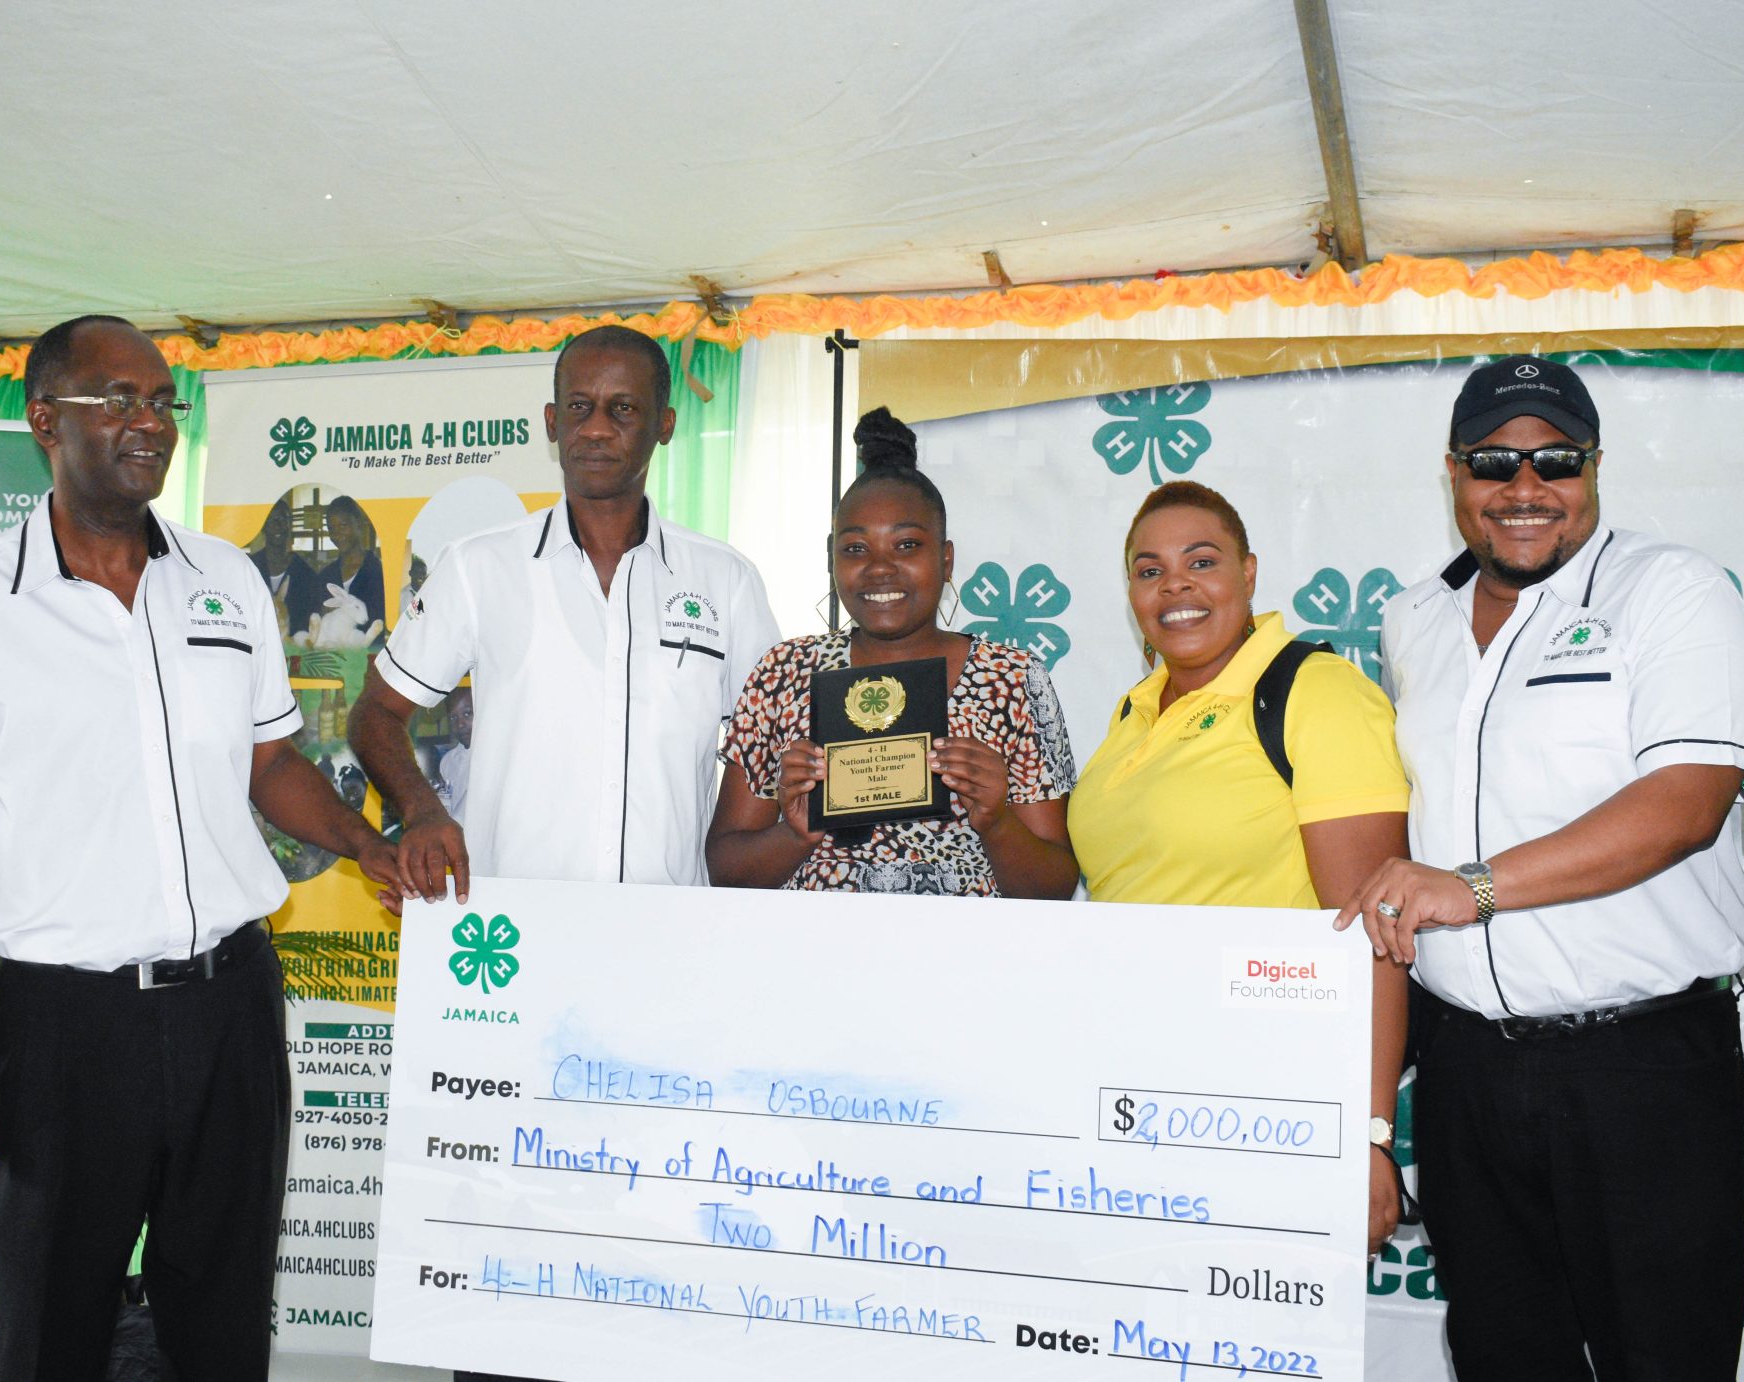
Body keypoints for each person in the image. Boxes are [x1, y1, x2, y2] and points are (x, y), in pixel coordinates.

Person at [0, 315, 405, 1381]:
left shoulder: (224, 580)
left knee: (220, 1319)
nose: (148, 422)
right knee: (50, 1329)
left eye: (163, 401)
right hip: (65, 1024)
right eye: (116, 399)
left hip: (230, 1009)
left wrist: (367, 839)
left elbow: (270, 763)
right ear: (43, 418)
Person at [350, 322, 777, 1382]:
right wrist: (416, 810)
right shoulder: (480, 569)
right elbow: (374, 716)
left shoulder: (722, 582)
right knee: (501, 1244)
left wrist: (734, 845)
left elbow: (768, 743)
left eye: (621, 408)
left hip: (668, 975)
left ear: (664, 425)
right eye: (578, 406)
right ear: (548, 422)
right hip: (511, 970)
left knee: (644, 1247)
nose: (597, 426)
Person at [1339, 356, 1744, 1381]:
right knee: (1500, 1354)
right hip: (1464, 1075)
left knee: (1663, 1360)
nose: (1524, 489)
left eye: (1553, 461)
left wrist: (1470, 885)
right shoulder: (1413, 618)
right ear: (1450, 472)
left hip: (1641, 1067)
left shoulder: (1670, 589)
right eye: (1493, 461)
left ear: (1593, 465)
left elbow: (1682, 807)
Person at [1067, 480, 1412, 1256]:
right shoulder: (1136, 708)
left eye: (1201, 561)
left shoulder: (1314, 691)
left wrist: (1366, 1136)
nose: (1175, 586)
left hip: (1269, 1093)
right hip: (1136, 1090)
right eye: (1149, 569)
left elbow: (1376, 928)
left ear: (1249, 573)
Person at [707, 408, 1079, 898]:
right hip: (813, 959)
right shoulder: (783, 673)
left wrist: (996, 821)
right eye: (856, 549)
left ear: (945, 560)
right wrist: (795, 832)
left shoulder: (1012, 679)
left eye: (906, 545)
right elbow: (725, 871)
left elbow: (1055, 885)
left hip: (969, 963)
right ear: (831, 558)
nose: (880, 569)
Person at [249, 495, 327, 640]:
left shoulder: (306, 574)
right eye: (271, 520)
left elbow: (313, 619)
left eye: (282, 520)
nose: (277, 525)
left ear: (290, 524)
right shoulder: (250, 568)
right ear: (263, 526)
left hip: (295, 656)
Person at [322, 493, 385, 632]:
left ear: (359, 524)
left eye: (343, 526)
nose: (337, 534)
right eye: (331, 529)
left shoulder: (378, 573)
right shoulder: (326, 576)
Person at [435, 685, 473, 823]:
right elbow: (444, 806)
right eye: (453, 717)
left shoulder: (495, 758)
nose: (460, 724)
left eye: (467, 713)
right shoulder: (448, 761)